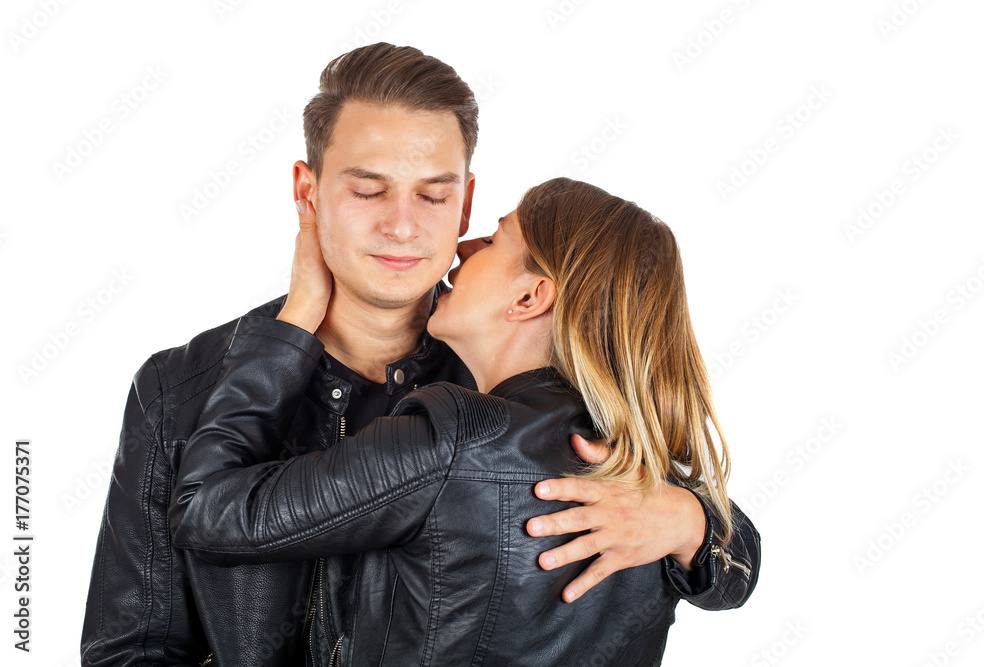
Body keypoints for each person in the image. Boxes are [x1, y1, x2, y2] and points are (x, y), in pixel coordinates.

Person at [81, 43, 755, 666]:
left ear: (465, 204)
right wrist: (291, 331)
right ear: (307, 193)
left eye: (433, 195)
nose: (402, 225)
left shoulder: (520, 388)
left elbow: (723, 548)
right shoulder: (179, 388)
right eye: (368, 190)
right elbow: (129, 653)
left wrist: (691, 522)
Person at [170, 177, 760, 665]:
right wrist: (695, 523)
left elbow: (205, 512)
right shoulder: (651, 481)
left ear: (529, 298)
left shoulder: (453, 438)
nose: (462, 247)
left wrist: (295, 319)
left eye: (495, 240)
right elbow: (739, 566)